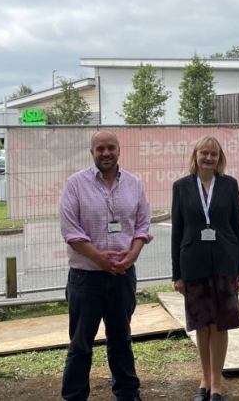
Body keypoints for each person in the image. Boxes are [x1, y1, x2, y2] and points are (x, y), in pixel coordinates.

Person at [59, 130, 153, 401]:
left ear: (119, 150)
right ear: (92, 153)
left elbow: (143, 224)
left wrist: (132, 255)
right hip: (86, 278)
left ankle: (128, 394)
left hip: (123, 276)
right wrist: (101, 259)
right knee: (80, 344)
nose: (106, 153)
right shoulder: (75, 184)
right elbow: (70, 230)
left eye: (111, 147)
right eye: (100, 149)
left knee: (121, 340)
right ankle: (74, 396)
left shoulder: (134, 184)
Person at [171, 136, 239, 401]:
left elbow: (238, 226)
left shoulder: (229, 185)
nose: (209, 158)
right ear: (195, 156)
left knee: (220, 323)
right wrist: (177, 274)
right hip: (193, 263)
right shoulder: (181, 187)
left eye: (214, 154)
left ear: (220, 158)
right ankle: (204, 379)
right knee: (202, 323)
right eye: (204, 153)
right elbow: (177, 232)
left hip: (225, 262)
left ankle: (217, 383)